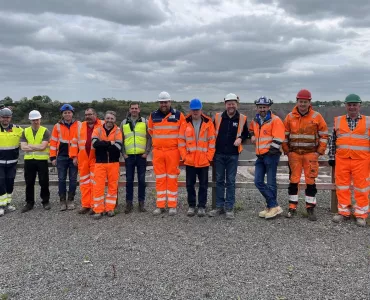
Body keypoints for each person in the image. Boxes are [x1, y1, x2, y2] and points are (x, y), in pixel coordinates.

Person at [282, 89, 328, 221]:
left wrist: (319, 151)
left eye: (305, 102)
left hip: (310, 155)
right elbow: (284, 135)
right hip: (294, 155)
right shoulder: (290, 117)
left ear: (309, 102)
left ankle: (310, 207)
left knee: (311, 181)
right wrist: (287, 151)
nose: (302, 104)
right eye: (300, 101)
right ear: (297, 102)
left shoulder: (317, 117)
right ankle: (292, 206)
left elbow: (324, 134)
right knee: (293, 181)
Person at [329, 94, 369, 227]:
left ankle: (361, 214)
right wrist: (331, 157)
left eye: (354, 104)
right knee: (342, 187)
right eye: (349, 104)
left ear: (359, 106)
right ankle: (343, 212)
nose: (352, 107)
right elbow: (333, 141)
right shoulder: (338, 121)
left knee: (362, 188)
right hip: (342, 160)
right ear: (345, 105)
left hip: (362, 161)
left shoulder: (368, 121)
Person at [209, 93, 248, 219]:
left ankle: (229, 208)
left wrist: (241, 138)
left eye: (233, 103)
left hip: (233, 155)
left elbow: (246, 133)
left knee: (230, 181)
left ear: (237, 104)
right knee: (219, 180)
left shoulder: (242, 118)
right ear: (225, 104)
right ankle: (219, 206)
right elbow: (210, 132)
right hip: (219, 154)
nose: (231, 106)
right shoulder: (218, 117)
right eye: (228, 103)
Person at [148, 91, 185, 216]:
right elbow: (151, 131)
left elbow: (183, 133)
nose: (164, 104)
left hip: (173, 152)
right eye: (161, 102)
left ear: (170, 102)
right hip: (158, 151)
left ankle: (172, 205)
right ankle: (160, 205)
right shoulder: (153, 116)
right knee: (160, 179)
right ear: (159, 103)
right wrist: (160, 142)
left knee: (172, 178)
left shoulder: (179, 115)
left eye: (166, 102)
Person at [178, 98, 216, 217]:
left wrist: (208, 158)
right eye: (193, 110)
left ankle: (202, 206)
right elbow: (181, 141)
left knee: (203, 185)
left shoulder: (208, 122)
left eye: (197, 110)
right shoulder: (185, 122)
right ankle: (191, 205)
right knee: (190, 185)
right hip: (190, 161)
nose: (195, 112)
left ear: (201, 110)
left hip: (203, 161)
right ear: (190, 110)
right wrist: (184, 157)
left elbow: (212, 142)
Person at [249, 97, 285, 219]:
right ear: (257, 108)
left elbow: (279, 138)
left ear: (269, 107)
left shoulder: (275, 120)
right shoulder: (255, 120)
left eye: (264, 107)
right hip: (260, 156)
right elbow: (250, 130)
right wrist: (252, 135)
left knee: (270, 183)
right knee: (258, 181)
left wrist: (270, 154)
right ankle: (273, 205)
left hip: (271, 156)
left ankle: (271, 207)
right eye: (260, 107)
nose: (262, 109)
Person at [70, 108, 104, 215]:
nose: (88, 116)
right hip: (83, 158)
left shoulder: (102, 124)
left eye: (90, 114)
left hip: (96, 158)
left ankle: (95, 205)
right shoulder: (80, 126)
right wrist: (74, 156)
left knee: (96, 183)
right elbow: (74, 142)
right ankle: (86, 205)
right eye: (86, 115)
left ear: (95, 114)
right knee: (84, 183)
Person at [120, 102, 152, 214]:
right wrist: (123, 153)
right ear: (129, 110)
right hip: (129, 156)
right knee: (129, 181)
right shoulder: (124, 122)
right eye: (132, 108)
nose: (134, 110)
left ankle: (141, 203)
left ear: (139, 110)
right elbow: (120, 140)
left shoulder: (145, 122)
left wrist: (146, 152)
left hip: (141, 156)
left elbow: (149, 138)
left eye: (136, 108)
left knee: (141, 181)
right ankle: (129, 203)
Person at [91, 111, 122, 219]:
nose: (109, 120)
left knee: (113, 187)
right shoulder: (97, 130)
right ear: (104, 118)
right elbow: (95, 144)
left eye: (112, 119)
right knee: (98, 187)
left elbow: (118, 147)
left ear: (115, 120)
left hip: (113, 163)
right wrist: (110, 143)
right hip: (100, 163)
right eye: (107, 118)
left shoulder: (118, 131)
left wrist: (103, 144)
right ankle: (98, 210)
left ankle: (110, 208)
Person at [50, 104, 80, 211]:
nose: (67, 114)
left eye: (69, 112)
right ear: (62, 114)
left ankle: (71, 200)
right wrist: (53, 157)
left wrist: (78, 156)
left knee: (73, 179)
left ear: (72, 113)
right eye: (65, 113)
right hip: (61, 157)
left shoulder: (79, 125)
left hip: (74, 157)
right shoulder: (57, 126)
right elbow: (53, 142)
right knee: (61, 179)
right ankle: (62, 201)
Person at [20, 110, 51, 212]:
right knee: (29, 182)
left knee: (44, 181)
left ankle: (45, 201)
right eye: (33, 120)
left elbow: (43, 146)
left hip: (42, 160)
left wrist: (30, 146)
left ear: (40, 119)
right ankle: (29, 203)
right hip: (29, 161)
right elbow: (23, 147)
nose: (35, 122)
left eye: (37, 119)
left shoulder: (45, 131)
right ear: (30, 120)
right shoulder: (25, 131)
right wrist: (37, 147)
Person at [0, 107, 23, 216]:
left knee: (10, 183)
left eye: (8, 117)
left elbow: (26, 139)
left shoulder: (17, 129)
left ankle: (8, 203)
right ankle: (1, 205)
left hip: (12, 163)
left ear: (11, 118)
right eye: (4, 117)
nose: (6, 119)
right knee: (1, 183)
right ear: (0, 117)